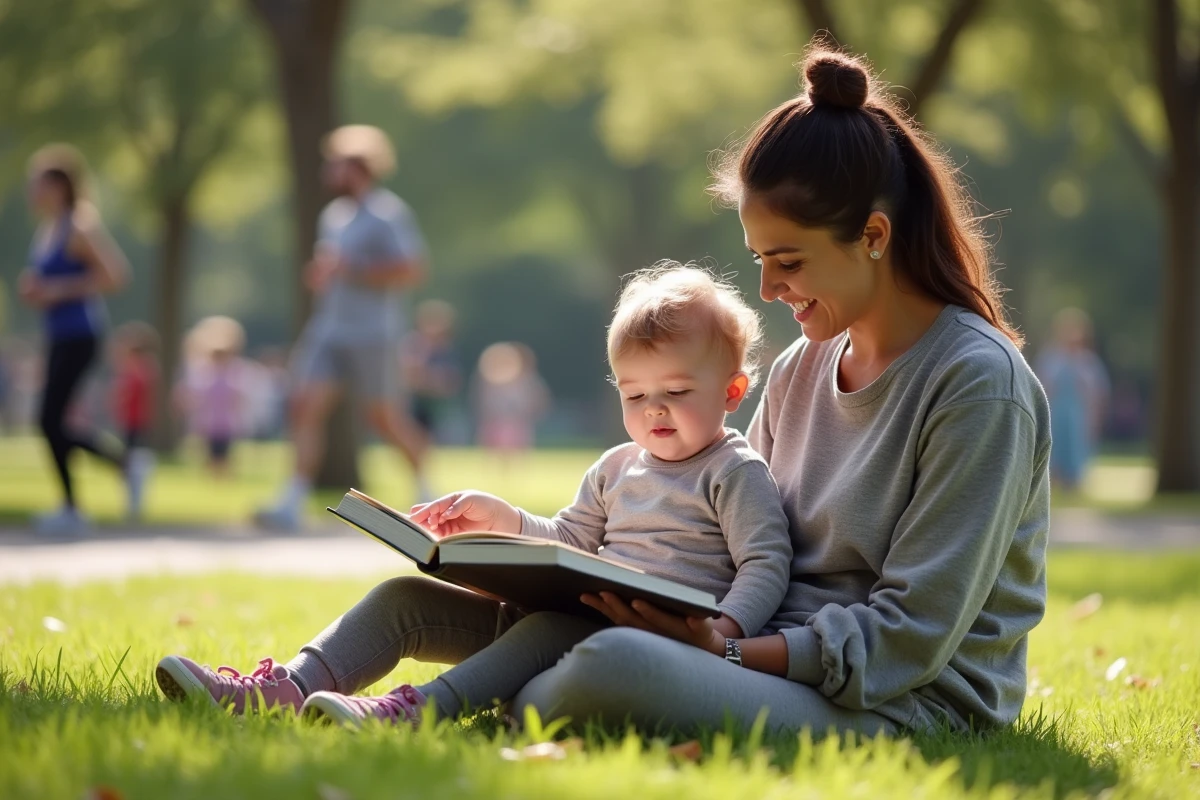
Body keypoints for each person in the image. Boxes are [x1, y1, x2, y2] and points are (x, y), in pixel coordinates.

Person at [155, 43, 1051, 738]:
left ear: (876, 236)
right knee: (410, 607)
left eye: (789, 262)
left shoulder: (977, 388)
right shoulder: (804, 368)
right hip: (736, 650)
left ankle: (459, 707)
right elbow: (729, 537)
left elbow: (909, 635)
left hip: (889, 701)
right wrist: (542, 551)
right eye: (758, 263)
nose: (772, 291)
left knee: (610, 662)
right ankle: (278, 695)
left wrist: (727, 647)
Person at [154, 264, 793, 724]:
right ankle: (288, 688)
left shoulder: (732, 470)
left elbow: (767, 562)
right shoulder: (617, 465)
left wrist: (723, 634)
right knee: (402, 598)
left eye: (676, 393)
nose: (654, 411)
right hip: (563, 613)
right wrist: (506, 520)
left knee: (546, 626)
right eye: (634, 395)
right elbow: (569, 541)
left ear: (732, 393)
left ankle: (417, 713)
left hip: (643, 637)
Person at [254, 125, 432, 530]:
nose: (329, 171)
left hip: (374, 332)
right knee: (304, 406)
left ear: (358, 167)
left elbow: (411, 269)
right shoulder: (333, 217)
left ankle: (427, 490)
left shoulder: (388, 214)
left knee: (385, 417)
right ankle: (293, 499)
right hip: (330, 329)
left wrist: (354, 270)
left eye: (336, 164)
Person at [18, 144, 145, 535]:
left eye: (37, 184)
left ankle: (75, 506)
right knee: (50, 420)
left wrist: (57, 289)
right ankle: (121, 468)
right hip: (59, 335)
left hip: (82, 334)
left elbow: (116, 275)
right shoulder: (49, 228)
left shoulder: (79, 225)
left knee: (49, 419)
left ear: (58, 186)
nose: (31, 192)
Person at [1034, 308, 1110, 491]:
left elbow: (1098, 392)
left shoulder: (1088, 362)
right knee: (1055, 448)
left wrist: (1096, 417)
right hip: (1055, 411)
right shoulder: (1050, 359)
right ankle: (1054, 482)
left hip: (1079, 413)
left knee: (1076, 448)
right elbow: (1041, 387)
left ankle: (1074, 482)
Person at [176, 316, 251, 479]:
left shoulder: (235, 372)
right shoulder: (204, 372)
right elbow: (196, 393)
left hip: (226, 422)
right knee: (211, 450)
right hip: (209, 422)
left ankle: (223, 475)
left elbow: (239, 396)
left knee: (224, 450)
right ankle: (213, 475)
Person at [109, 321, 160, 518]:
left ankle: (134, 503)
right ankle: (132, 501)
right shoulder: (139, 369)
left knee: (134, 462)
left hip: (136, 422)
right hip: (131, 422)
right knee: (131, 460)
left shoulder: (138, 371)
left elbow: (126, 394)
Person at [471, 341, 550, 466]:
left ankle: (512, 466)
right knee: (495, 444)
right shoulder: (490, 383)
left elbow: (536, 399)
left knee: (515, 444)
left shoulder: (527, 381)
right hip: (496, 418)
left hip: (516, 419)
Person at [400, 299, 463, 443]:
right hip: (413, 405)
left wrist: (427, 378)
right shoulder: (412, 345)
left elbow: (451, 382)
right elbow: (406, 376)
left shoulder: (447, 350)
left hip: (438, 408)